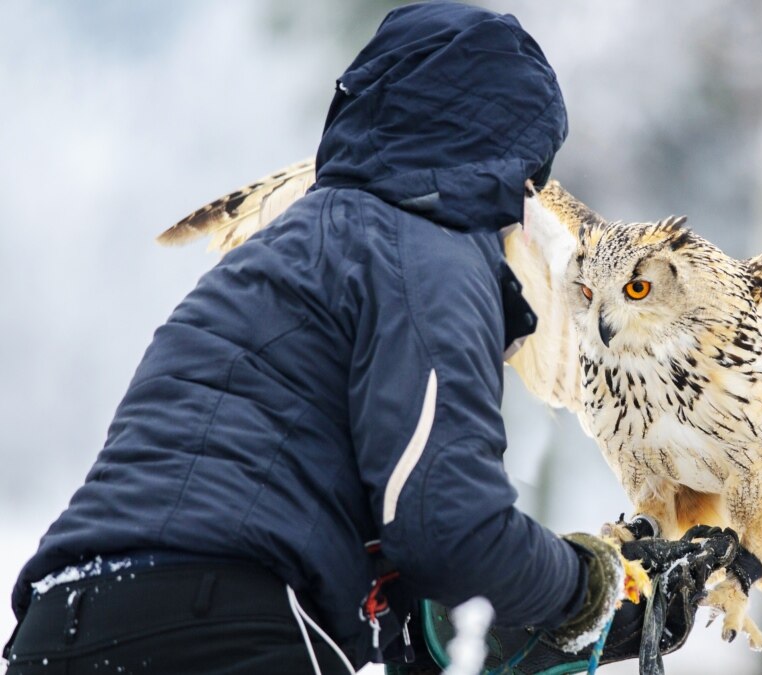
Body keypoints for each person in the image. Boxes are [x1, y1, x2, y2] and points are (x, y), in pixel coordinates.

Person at [3, 4, 722, 673]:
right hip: (221, 626)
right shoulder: (431, 253)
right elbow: (452, 530)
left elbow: (293, 505)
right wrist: (590, 584)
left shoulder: (286, 249)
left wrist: (452, 622)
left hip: (55, 627)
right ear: (511, 159)